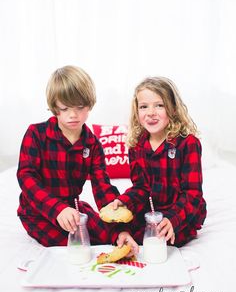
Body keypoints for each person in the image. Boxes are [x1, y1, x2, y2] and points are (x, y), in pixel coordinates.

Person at [17, 65, 138, 253]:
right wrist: (57, 209)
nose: (72, 115)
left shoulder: (93, 144)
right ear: (54, 107)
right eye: (64, 108)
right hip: (37, 213)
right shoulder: (36, 134)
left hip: (73, 208)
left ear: (89, 105)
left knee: (114, 235)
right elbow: (26, 178)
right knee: (78, 245)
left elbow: (102, 187)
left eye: (79, 107)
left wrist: (119, 230)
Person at [107, 76, 207, 247]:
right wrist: (125, 200)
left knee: (164, 239)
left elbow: (192, 194)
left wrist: (172, 220)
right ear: (137, 112)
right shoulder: (136, 145)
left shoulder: (188, 143)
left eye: (159, 105)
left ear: (173, 109)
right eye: (144, 107)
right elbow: (141, 187)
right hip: (151, 210)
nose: (151, 112)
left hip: (181, 210)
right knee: (115, 228)